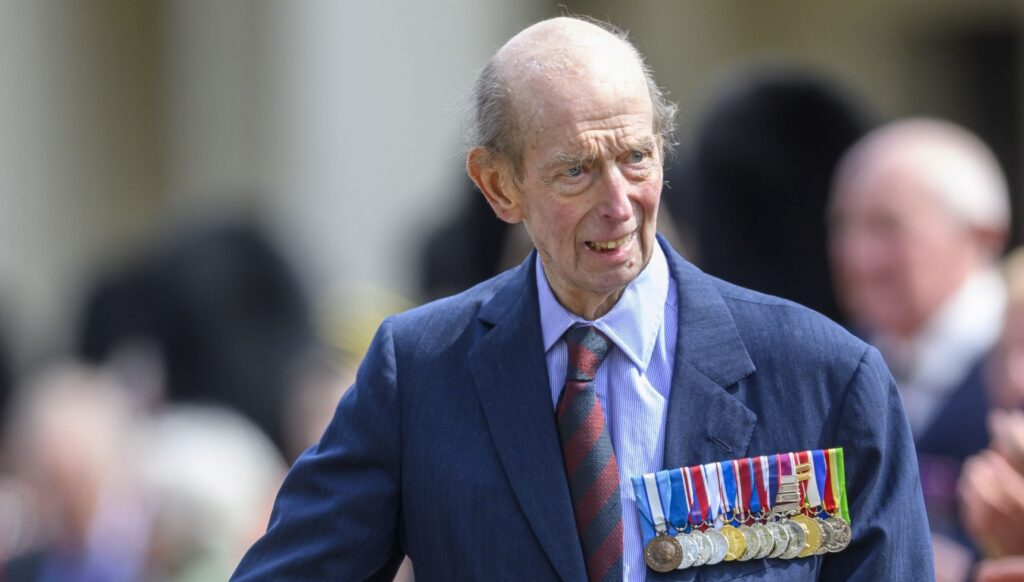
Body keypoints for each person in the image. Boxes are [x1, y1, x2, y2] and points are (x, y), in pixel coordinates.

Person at [232, 16, 930, 581]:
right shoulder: (418, 372)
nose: (618, 204)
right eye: (577, 171)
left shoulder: (825, 376)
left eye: (636, 158)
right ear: (500, 186)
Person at [828, 119, 1010, 579]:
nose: (857, 256)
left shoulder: (1013, 363)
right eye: (843, 226)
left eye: (888, 227)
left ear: (982, 234)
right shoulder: (830, 363)